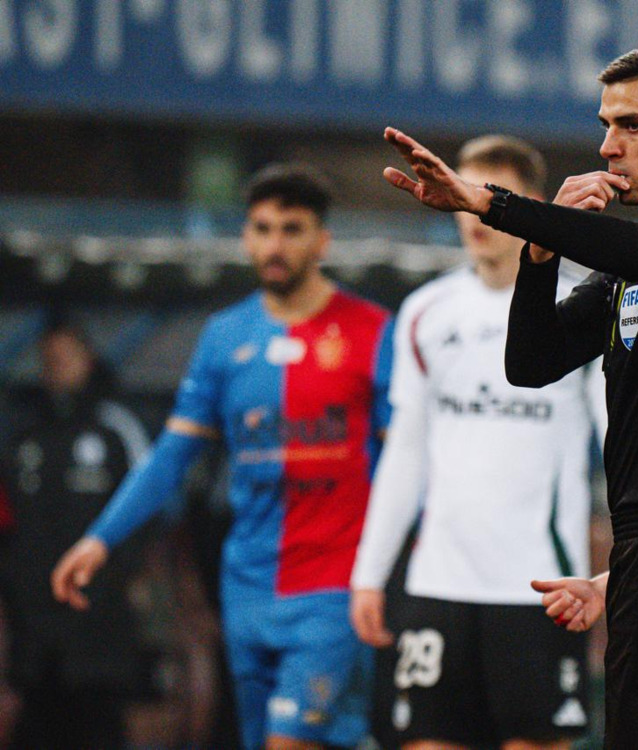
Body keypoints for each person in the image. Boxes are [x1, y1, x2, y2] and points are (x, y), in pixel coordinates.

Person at [382, 42, 638, 750]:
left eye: (631, 125)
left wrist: (492, 204)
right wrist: (539, 256)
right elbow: (531, 362)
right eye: (606, 125)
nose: (607, 147)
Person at [50, 164, 395, 750]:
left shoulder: (372, 332)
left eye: (292, 229)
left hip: (333, 587)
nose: (275, 245)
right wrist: (100, 539)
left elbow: (405, 462)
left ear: (322, 240)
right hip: (247, 588)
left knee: (290, 741)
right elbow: (170, 456)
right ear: (246, 237)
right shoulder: (224, 337)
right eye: (262, 228)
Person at [350, 134, 608, 750]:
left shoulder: (584, 302)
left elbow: (618, 438)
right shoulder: (426, 312)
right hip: (437, 583)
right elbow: (406, 452)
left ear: (531, 206)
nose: (472, 210)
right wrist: (370, 573)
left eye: (492, 195)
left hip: (541, 588)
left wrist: (619, 574)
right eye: (462, 191)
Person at [0, 318, 152, 749]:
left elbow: (148, 507)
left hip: (99, 621)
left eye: (65, 357)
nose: (57, 367)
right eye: (49, 359)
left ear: (87, 359)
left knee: (98, 727)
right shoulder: (23, 433)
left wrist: (121, 575)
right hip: (36, 626)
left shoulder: (115, 426)